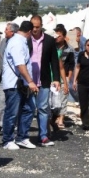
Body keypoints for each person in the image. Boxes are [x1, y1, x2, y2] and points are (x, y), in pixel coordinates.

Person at [24, 14, 61, 147]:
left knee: (43, 108)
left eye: (37, 27)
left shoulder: (50, 40)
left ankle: (43, 136)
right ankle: (23, 136)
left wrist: (56, 78)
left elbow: (54, 61)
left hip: (43, 79)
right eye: (33, 27)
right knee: (27, 109)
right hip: (27, 80)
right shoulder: (25, 40)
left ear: (42, 27)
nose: (35, 30)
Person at [1, 21, 35, 150]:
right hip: (14, 84)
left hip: (22, 83)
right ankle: (7, 140)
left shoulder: (20, 42)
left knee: (29, 108)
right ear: (30, 32)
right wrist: (31, 81)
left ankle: (22, 137)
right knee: (12, 112)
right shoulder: (17, 43)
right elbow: (20, 65)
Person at [53, 26, 74, 130]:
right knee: (54, 99)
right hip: (53, 75)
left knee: (64, 97)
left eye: (59, 35)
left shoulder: (69, 49)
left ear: (64, 36)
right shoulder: (52, 46)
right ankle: (55, 117)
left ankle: (61, 118)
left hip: (64, 76)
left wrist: (68, 78)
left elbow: (71, 65)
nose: (57, 37)